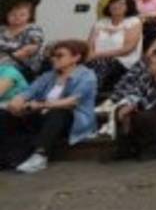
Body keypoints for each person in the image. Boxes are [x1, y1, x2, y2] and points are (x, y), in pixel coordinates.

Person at [0, 39, 97, 173]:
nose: (54, 59)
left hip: (72, 120)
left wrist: (39, 105)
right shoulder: (49, 76)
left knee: (57, 113)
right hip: (43, 115)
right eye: (53, 55)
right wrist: (17, 100)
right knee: (5, 114)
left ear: (76, 57)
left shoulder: (87, 76)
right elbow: (29, 91)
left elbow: (72, 101)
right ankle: (9, 155)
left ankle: (40, 156)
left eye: (59, 56)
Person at [87, 0, 143, 95]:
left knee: (100, 65)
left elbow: (128, 49)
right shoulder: (101, 22)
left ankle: (90, 95)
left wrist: (97, 55)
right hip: (96, 59)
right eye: (113, 3)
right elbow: (89, 45)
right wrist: (89, 55)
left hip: (122, 60)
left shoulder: (133, 22)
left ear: (129, 7)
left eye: (121, 4)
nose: (116, 6)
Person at [0, 0, 44, 79]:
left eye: (22, 15)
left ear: (29, 16)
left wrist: (5, 60)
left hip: (22, 65)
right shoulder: (2, 30)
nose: (17, 18)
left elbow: (30, 49)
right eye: (13, 15)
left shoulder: (33, 29)